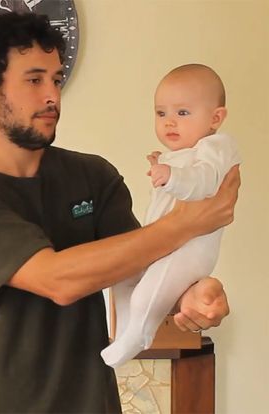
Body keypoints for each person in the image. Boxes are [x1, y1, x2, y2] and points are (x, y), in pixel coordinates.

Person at [0, 12, 237, 413]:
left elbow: (139, 266)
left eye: (55, 79)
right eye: (34, 80)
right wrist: (189, 222)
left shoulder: (93, 176)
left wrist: (195, 294)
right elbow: (58, 280)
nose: (52, 95)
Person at [101, 65, 241, 367]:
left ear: (216, 118)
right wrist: (162, 162)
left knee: (146, 295)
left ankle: (141, 333)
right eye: (161, 113)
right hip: (162, 241)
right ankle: (127, 328)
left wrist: (171, 175)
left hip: (189, 250)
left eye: (183, 113)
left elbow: (204, 180)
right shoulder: (179, 154)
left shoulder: (217, 146)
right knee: (123, 273)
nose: (169, 123)